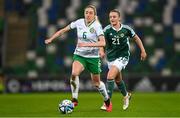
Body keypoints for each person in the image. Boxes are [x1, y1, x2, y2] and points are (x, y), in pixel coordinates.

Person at [45, 5, 112, 112]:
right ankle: (75, 99)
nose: (88, 15)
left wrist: (95, 48)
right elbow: (63, 30)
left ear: (94, 15)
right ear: (84, 13)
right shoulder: (79, 22)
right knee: (74, 73)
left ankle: (107, 100)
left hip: (93, 58)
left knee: (96, 83)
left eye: (91, 13)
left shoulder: (97, 26)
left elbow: (103, 42)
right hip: (79, 55)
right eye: (86, 12)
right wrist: (51, 38)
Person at [100, 9, 147, 110]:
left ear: (119, 18)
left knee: (110, 76)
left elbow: (136, 38)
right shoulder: (107, 30)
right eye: (110, 17)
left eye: (114, 17)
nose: (112, 19)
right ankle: (126, 96)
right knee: (117, 80)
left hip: (123, 56)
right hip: (111, 57)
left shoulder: (126, 29)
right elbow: (101, 41)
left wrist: (143, 51)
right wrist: (101, 50)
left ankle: (107, 103)